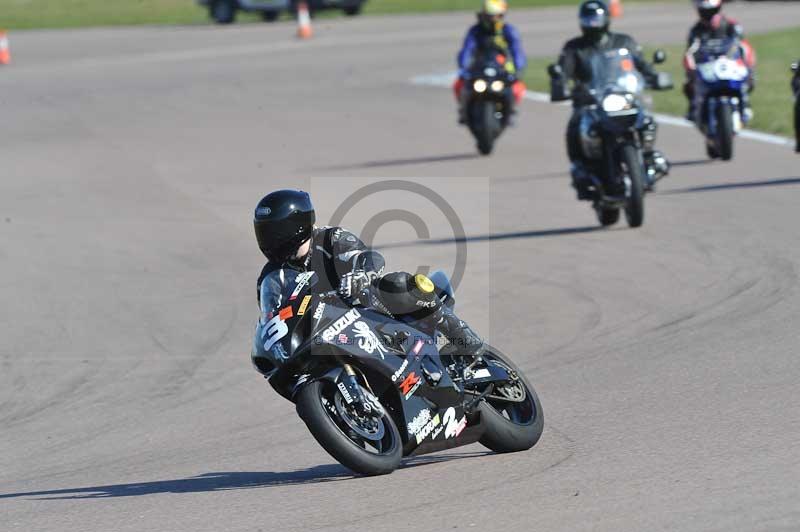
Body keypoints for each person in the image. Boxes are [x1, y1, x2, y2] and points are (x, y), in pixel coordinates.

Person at [253, 189, 484, 358]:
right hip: (324, 336)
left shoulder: (330, 239)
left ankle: (460, 334)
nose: (270, 239)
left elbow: (366, 257)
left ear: (295, 227)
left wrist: (359, 275)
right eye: (265, 232)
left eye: (274, 232)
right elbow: (272, 315)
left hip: (365, 310)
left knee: (399, 284)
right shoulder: (272, 276)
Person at [552, 0, 665, 197]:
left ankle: (647, 156)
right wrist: (560, 85)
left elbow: (641, 65)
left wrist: (654, 77)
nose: (593, 23)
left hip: (621, 96)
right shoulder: (574, 48)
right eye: (588, 19)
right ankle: (581, 169)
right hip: (591, 103)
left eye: (596, 18)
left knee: (646, 120)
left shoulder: (624, 42)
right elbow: (564, 73)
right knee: (575, 125)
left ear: (606, 18)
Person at [454, 0, 527, 123]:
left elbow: (517, 52)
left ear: (501, 15)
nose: (491, 19)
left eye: (495, 16)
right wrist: (463, 67)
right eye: (488, 15)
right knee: (459, 85)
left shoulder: (508, 31)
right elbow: (466, 50)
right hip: (479, 67)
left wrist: (518, 70)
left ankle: (511, 110)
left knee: (517, 88)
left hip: (502, 69)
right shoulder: (476, 31)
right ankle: (464, 110)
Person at [683, 0, 756, 122]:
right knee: (689, 85)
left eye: (711, 11)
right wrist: (691, 70)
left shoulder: (731, 25)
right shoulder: (696, 30)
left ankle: (745, 104)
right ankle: (694, 109)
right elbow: (690, 52)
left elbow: (744, 46)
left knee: (747, 80)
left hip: (729, 63)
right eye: (705, 12)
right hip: (707, 65)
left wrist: (749, 68)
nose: (709, 15)